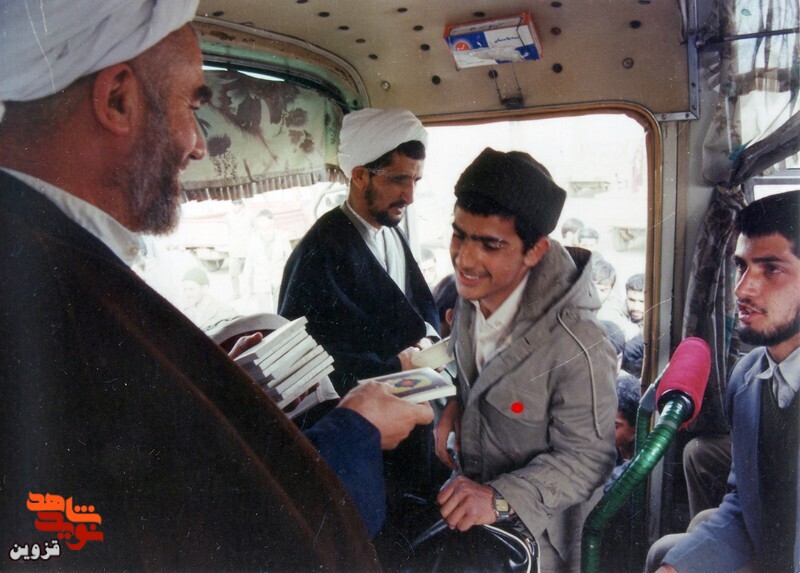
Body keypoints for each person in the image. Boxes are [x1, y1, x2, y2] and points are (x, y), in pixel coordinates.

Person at [0, 3, 434, 570]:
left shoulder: (61, 262)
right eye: (191, 107)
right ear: (118, 100)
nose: (200, 145)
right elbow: (138, 540)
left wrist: (223, 385)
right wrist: (354, 432)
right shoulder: (40, 293)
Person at [433, 148, 617, 572]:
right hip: (470, 496)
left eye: (490, 244)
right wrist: (455, 403)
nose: (464, 260)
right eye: (460, 235)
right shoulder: (475, 292)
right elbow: (472, 371)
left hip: (540, 535)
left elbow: (589, 459)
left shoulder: (578, 344)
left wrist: (498, 499)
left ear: (534, 251)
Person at [655, 190, 800, 573]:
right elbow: (743, 506)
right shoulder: (747, 379)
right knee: (663, 557)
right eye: (741, 267)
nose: (742, 289)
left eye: (772, 269)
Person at [278, 107, 440, 393]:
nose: (410, 197)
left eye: (415, 181)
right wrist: (396, 365)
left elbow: (416, 306)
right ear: (360, 175)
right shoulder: (319, 250)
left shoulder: (393, 232)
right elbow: (305, 357)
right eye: (399, 180)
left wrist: (427, 342)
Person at [242, 208, 292, 312]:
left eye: (264, 220)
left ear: (271, 221)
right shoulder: (253, 240)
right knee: (264, 312)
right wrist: (247, 286)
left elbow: (290, 259)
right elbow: (249, 265)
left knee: (280, 310)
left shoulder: (281, 237)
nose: (261, 223)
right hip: (261, 281)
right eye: (259, 221)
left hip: (279, 279)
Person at [180, 267, 239, 331]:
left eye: (191, 289)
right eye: (185, 289)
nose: (187, 294)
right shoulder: (186, 312)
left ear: (204, 288)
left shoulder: (225, 312)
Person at [595, 259, 640, 340]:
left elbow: (630, 333)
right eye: (593, 288)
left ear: (611, 290)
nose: (597, 294)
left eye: (603, 290)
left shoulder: (608, 309)